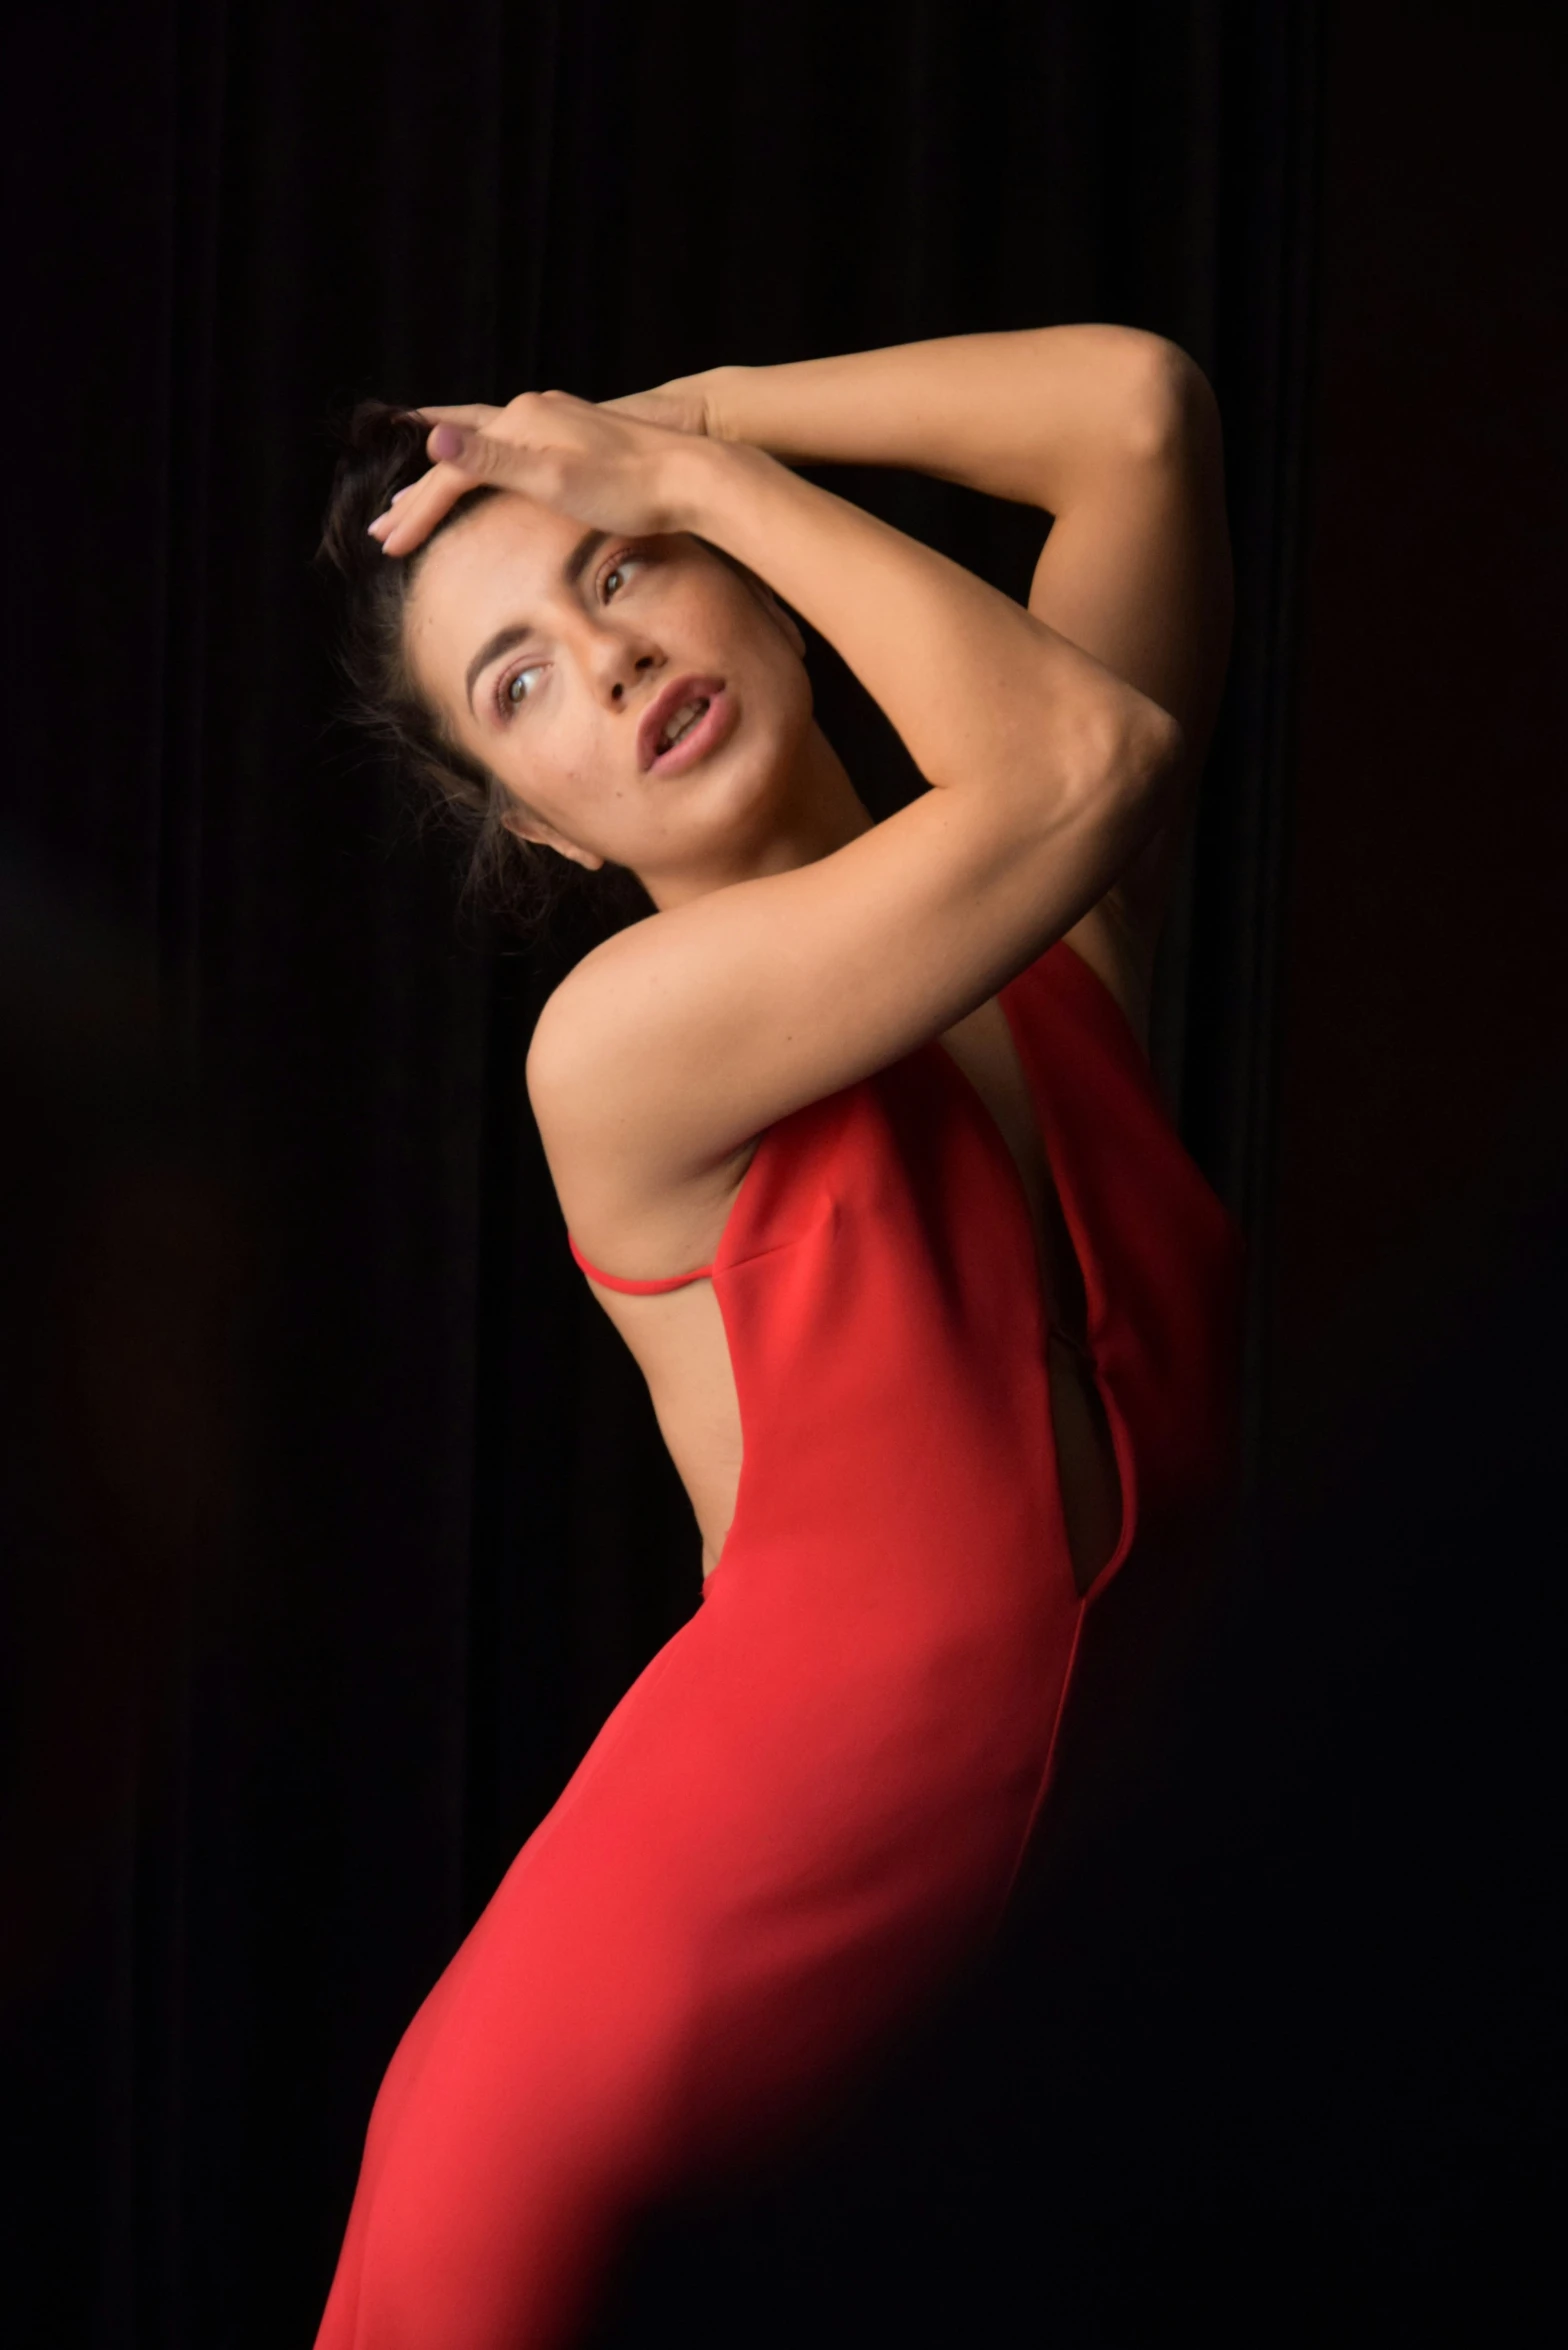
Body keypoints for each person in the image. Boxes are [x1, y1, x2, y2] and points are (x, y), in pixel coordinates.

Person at [311, 326, 1246, 2349]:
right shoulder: (622, 1055)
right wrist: (697, 499)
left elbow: (1135, 415)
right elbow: (1082, 760)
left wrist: (697, 425)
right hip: (606, 2099)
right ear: (541, 830)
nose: (614, 656)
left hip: (983, 2078)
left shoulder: (1059, 945)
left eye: (616, 565)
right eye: (521, 682)